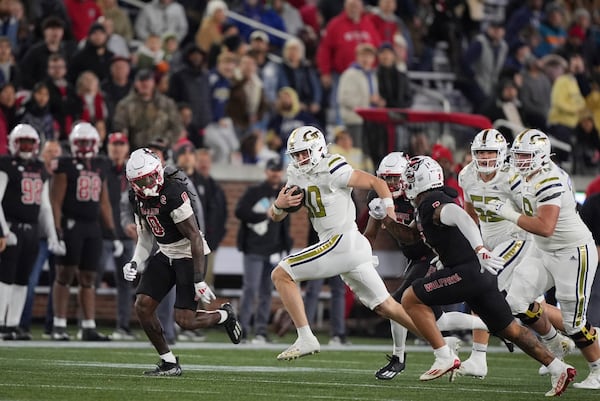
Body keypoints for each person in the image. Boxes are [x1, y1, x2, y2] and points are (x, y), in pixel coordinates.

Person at [371, 155, 576, 396]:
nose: (404, 184)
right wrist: (384, 217)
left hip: (466, 271)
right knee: (510, 330)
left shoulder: (434, 202)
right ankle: (558, 367)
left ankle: (444, 355)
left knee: (409, 298)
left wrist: (480, 249)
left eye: (408, 178)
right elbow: (411, 237)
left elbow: (460, 217)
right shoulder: (424, 206)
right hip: (478, 275)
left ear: (421, 179)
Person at [268, 125, 426, 361]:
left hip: (343, 240)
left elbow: (378, 183)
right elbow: (276, 216)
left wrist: (390, 213)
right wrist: (279, 205)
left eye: (304, 153)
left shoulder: (332, 167)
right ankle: (442, 346)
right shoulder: (296, 172)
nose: (300, 159)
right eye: (296, 154)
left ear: (318, 149)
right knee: (387, 307)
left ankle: (306, 337)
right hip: (347, 247)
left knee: (281, 274)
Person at [485, 129, 600, 390]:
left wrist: (509, 215)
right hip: (542, 248)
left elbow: (546, 226)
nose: (520, 160)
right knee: (515, 301)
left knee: (573, 323)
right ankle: (553, 342)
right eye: (518, 155)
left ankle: (598, 369)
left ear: (541, 156)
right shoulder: (523, 174)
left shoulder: (550, 179)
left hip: (571, 251)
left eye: (525, 155)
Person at [458, 129, 574, 378]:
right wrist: (475, 244)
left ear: (503, 153)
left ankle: (479, 357)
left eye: (490, 151)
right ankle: (576, 336)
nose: (486, 157)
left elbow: (531, 214)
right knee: (531, 306)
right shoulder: (466, 175)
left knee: (483, 285)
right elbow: (469, 214)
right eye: (481, 152)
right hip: (489, 241)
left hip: (516, 238)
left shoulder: (513, 176)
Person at [364, 152, 487, 380]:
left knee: (398, 303)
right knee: (436, 320)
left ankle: (401, 357)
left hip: (432, 256)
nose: (389, 185)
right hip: (414, 258)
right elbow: (371, 234)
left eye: (394, 179)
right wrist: (361, 255)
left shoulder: (423, 200)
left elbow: (418, 236)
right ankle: (488, 324)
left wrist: (387, 220)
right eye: (385, 178)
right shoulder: (380, 196)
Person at [122, 148, 242, 375]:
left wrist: (199, 279)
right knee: (143, 306)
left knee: (184, 320)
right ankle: (168, 362)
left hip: (189, 254)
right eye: (140, 181)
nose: (146, 184)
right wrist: (135, 262)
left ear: (157, 172)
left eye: (149, 177)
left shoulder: (174, 191)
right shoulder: (135, 196)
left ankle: (224, 315)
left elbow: (195, 236)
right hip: (166, 252)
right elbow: (146, 237)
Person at [49, 122, 122, 341]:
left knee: (89, 277)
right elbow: (55, 201)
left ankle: (88, 326)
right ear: (72, 143)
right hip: (71, 225)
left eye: (88, 142)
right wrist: (57, 230)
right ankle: (59, 325)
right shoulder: (65, 164)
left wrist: (112, 232)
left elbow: (105, 202)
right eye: (80, 142)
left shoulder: (101, 164)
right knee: (65, 274)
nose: (84, 147)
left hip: (93, 226)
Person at [0, 125, 65, 340]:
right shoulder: (6, 164)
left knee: (21, 281)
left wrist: (53, 235)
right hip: (12, 227)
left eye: (30, 142)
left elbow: (45, 206)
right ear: (13, 143)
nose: (27, 147)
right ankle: (1, 323)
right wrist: (3, 231)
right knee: (5, 279)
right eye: (23, 142)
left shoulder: (39, 167)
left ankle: (12, 325)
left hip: (32, 232)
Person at [235, 158, 292, 343]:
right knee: (250, 289)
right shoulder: (255, 191)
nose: (275, 173)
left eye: (278, 170)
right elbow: (240, 212)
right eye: (272, 170)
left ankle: (260, 331)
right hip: (254, 248)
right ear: (266, 171)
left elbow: (286, 222)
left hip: (274, 250)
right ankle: (242, 329)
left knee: (267, 292)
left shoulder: (284, 192)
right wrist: (263, 215)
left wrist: (285, 245)